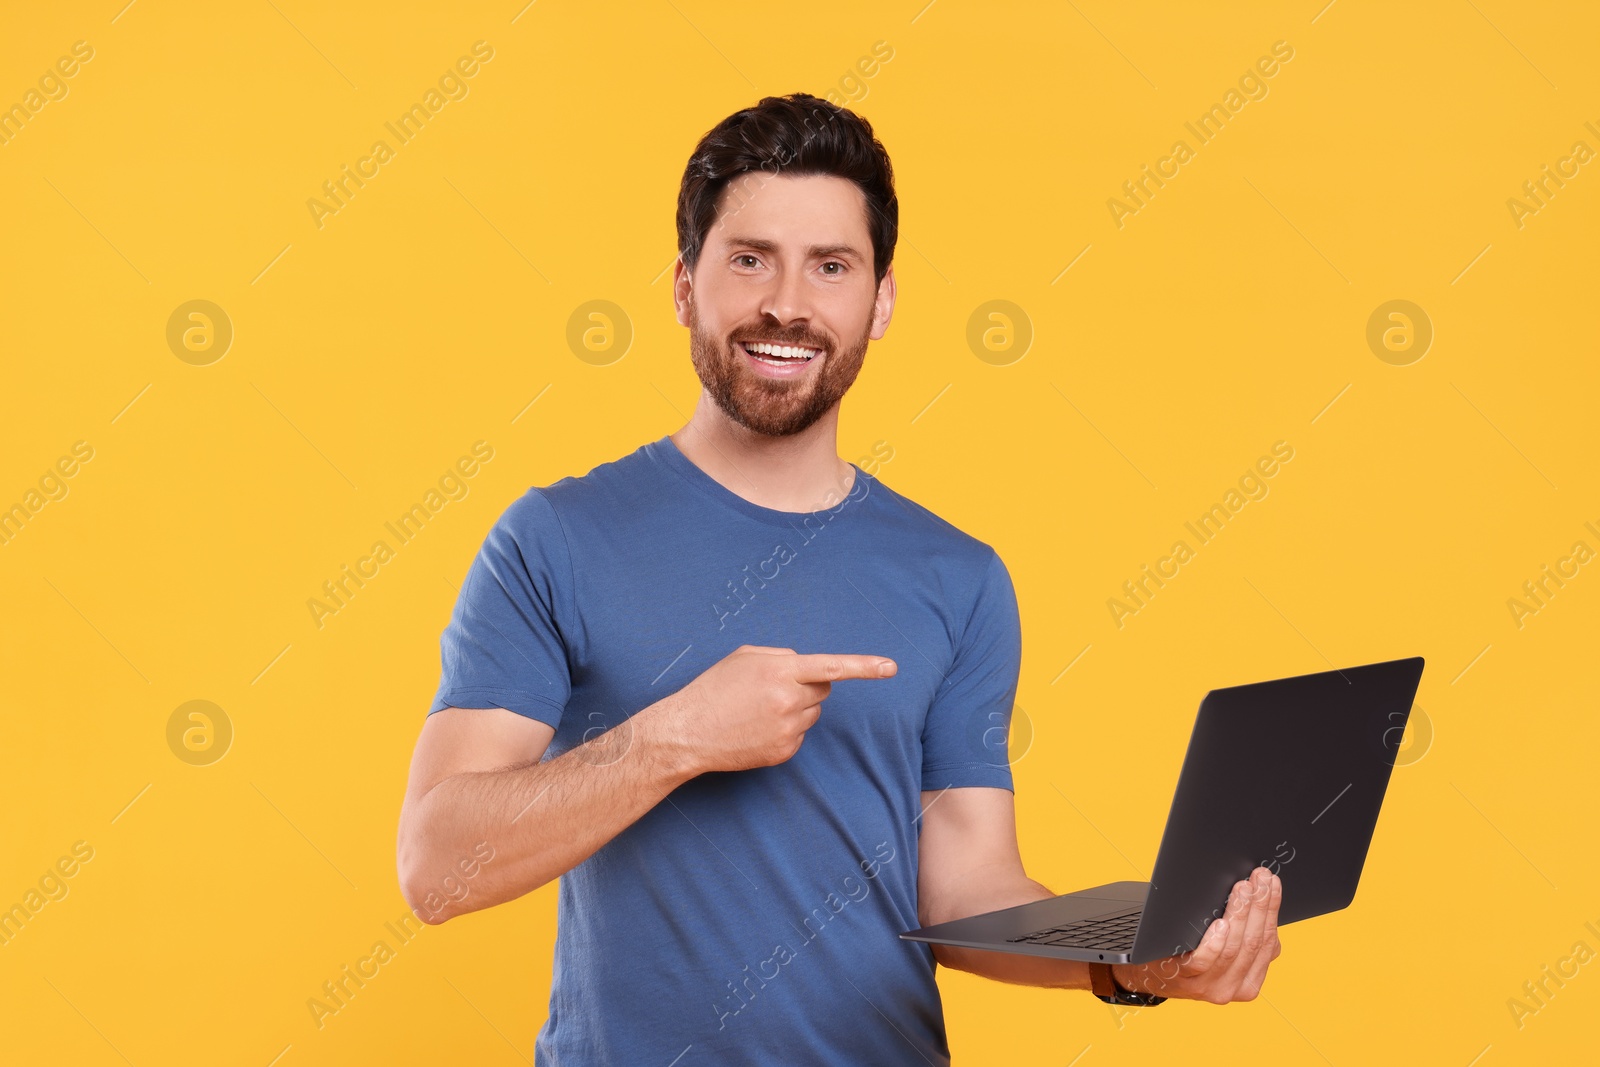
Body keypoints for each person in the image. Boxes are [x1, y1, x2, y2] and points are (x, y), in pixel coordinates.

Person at [396, 92, 1281, 1065]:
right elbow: (437, 866)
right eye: (749, 259)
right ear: (685, 286)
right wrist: (677, 735)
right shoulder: (553, 539)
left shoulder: (958, 576)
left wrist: (1136, 958)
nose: (787, 302)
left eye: (830, 266)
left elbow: (965, 893)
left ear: (880, 299)